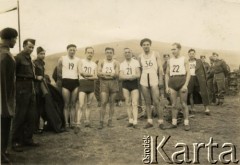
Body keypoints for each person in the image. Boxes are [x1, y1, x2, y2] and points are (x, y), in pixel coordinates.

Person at [12, 38, 39, 152]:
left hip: (30, 86)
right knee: (20, 115)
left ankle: (28, 139)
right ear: (23, 46)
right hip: (21, 86)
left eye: (33, 47)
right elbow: (13, 74)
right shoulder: (18, 58)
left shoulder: (30, 59)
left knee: (31, 114)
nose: (31, 49)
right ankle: (15, 141)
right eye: (29, 47)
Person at [138, 38, 165, 129]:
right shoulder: (140, 56)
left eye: (147, 44)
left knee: (157, 101)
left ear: (150, 45)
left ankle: (160, 121)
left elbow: (160, 68)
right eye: (144, 45)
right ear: (142, 46)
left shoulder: (155, 54)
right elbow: (140, 69)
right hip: (144, 79)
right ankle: (149, 121)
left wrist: (161, 79)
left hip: (154, 78)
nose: (146, 46)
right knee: (147, 102)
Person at [0, 27, 18, 163]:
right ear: (10, 38)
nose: (16, 41)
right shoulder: (4, 55)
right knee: (4, 123)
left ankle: (4, 150)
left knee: (6, 123)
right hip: (4, 96)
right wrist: (5, 101)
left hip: (7, 94)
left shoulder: (6, 53)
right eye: (15, 39)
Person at [165, 43, 191, 131]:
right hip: (172, 82)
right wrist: (167, 86)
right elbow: (167, 74)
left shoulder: (184, 59)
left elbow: (188, 73)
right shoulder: (169, 60)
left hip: (182, 81)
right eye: (171, 49)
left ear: (179, 49)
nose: (173, 51)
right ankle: (174, 123)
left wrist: (185, 85)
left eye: (174, 49)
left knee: (184, 104)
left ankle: (186, 123)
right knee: (173, 104)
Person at [57, 44, 80, 130]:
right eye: (70, 50)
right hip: (66, 82)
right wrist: (62, 81)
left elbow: (79, 71)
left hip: (75, 82)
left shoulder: (78, 60)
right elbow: (58, 72)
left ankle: (72, 122)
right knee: (66, 104)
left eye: (74, 50)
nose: (72, 51)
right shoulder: (62, 59)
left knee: (73, 104)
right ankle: (66, 123)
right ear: (67, 50)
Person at [75, 47, 97, 132]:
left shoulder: (94, 64)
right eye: (88, 52)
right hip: (82, 84)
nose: (90, 54)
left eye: (91, 53)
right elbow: (81, 72)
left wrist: (87, 76)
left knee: (89, 104)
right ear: (85, 53)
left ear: (93, 54)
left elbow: (96, 77)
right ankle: (78, 123)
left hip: (91, 85)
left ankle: (87, 121)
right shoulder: (81, 61)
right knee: (81, 104)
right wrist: (90, 75)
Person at [97, 47, 120, 129]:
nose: (109, 54)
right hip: (104, 83)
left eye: (110, 52)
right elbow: (98, 73)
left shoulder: (116, 62)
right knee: (103, 102)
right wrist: (108, 75)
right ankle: (101, 122)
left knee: (112, 103)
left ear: (113, 54)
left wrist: (105, 75)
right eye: (107, 52)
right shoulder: (101, 61)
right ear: (105, 53)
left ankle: (110, 121)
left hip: (113, 83)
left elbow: (117, 74)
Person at [119, 48, 141, 128]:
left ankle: (135, 121)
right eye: (126, 52)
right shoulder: (122, 64)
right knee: (127, 102)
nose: (127, 54)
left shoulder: (135, 62)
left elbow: (138, 74)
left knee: (134, 103)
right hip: (125, 84)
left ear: (131, 53)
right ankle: (130, 120)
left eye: (129, 52)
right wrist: (128, 77)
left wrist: (132, 76)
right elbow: (120, 76)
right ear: (124, 54)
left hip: (134, 83)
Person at [187, 49, 211, 115]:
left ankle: (206, 108)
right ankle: (192, 108)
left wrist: (205, 80)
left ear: (195, 54)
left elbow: (203, 71)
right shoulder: (186, 62)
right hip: (190, 78)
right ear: (188, 54)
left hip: (198, 79)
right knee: (190, 93)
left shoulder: (199, 61)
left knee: (203, 92)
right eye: (190, 54)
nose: (191, 55)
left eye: (193, 53)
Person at [33, 47, 46, 134]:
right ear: (37, 54)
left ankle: (40, 126)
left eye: (44, 53)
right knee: (36, 107)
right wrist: (37, 77)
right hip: (36, 86)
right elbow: (32, 74)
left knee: (41, 106)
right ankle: (35, 127)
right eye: (41, 54)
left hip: (41, 85)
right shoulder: (34, 62)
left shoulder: (42, 63)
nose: (43, 55)